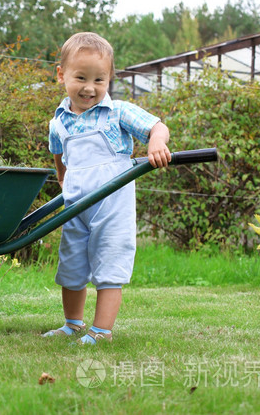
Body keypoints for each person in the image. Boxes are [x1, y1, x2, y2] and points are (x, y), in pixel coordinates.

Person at [42, 32, 171, 345]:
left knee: (109, 263)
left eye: (99, 80)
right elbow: (58, 156)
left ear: (110, 78)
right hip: (75, 205)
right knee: (71, 263)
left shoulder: (118, 113)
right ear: (61, 75)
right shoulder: (58, 121)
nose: (90, 87)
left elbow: (157, 126)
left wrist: (156, 141)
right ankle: (72, 324)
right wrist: (62, 178)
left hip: (112, 206)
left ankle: (101, 331)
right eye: (81, 77)